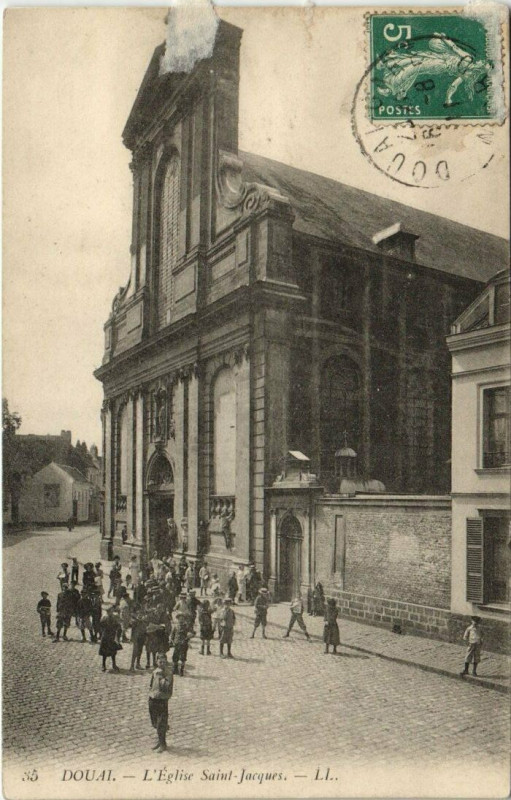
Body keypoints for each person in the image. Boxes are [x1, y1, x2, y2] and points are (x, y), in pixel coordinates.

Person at [148, 653, 173, 753]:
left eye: (164, 662)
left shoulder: (168, 673)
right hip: (153, 698)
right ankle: (159, 740)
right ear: (156, 662)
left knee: (161, 723)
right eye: (160, 661)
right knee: (154, 722)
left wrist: (160, 677)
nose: (162, 663)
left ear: (166, 662)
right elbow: (151, 684)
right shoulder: (155, 671)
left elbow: (166, 686)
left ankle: (163, 744)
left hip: (162, 700)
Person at [99, 606, 122, 672]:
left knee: (113, 652)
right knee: (104, 652)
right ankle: (103, 665)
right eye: (109, 611)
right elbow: (101, 626)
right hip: (106, 636)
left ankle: (114, 664)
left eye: (111, 611)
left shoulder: (115, 617)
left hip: (112, 636)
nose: (110, 612)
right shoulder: (104, 618)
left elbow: (118, 626)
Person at [170, 612, 192, 676]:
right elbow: (172, 634)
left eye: (182, 618)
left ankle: (181, 670)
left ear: (184, 619)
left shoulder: (186, 626)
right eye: (180, 618)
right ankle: (175, 669)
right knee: (175, 657)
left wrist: (189, 637)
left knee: (183, 657)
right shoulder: (175, 626)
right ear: (178, 619)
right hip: (177, 643)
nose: (181, 620)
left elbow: (191, 633)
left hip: (184, 644)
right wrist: (172, 640)